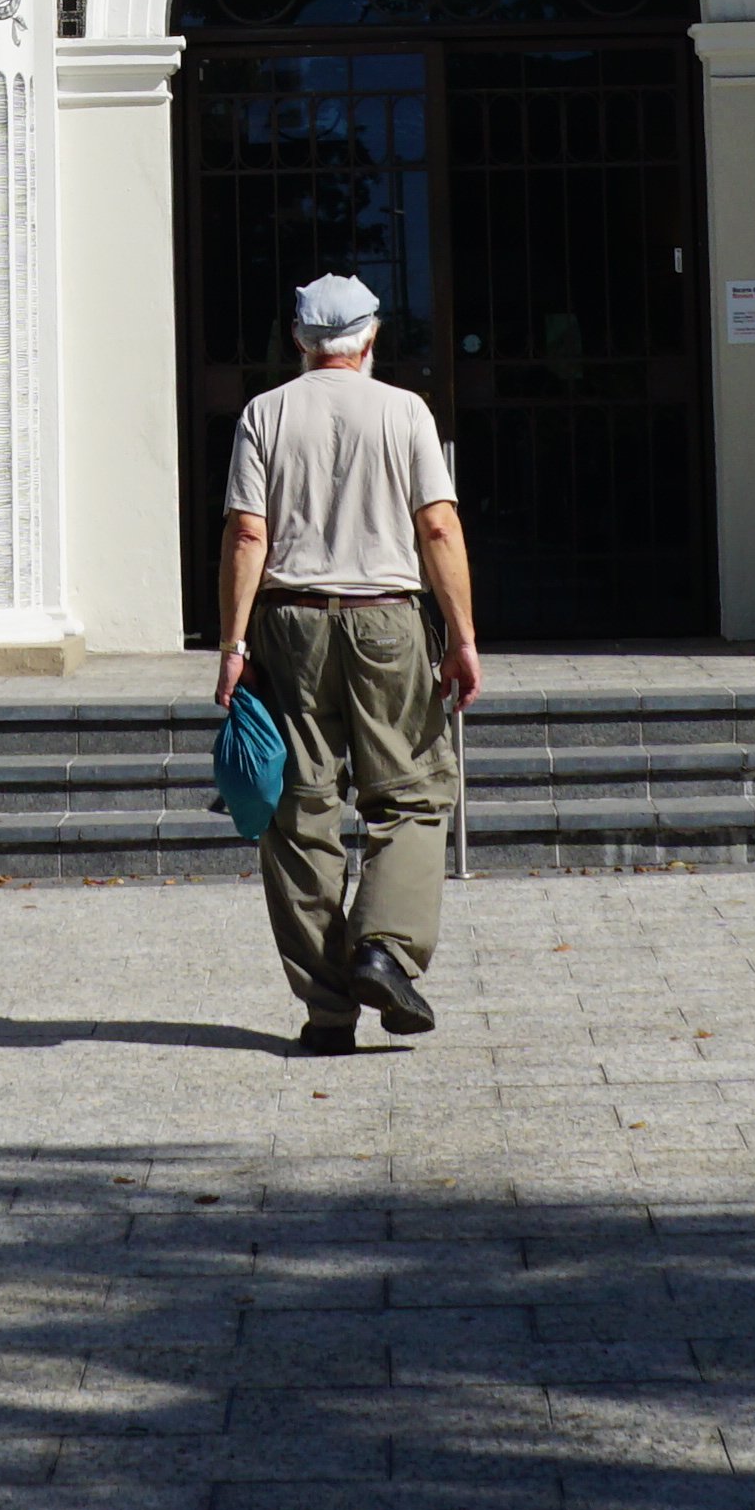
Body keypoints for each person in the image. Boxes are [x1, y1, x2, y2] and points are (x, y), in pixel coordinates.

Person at [209, 270, 483, 1055]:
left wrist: (233, 646)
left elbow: (246, 536)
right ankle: (385, 949)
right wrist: (461, 638)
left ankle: (328, 1012)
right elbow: (437, 529)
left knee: (300, 814)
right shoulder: (404, 411)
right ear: (370, 338)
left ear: (299, 340)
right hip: (388, 619)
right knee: (414, 793)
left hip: (288, 622)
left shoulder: (266, 413)